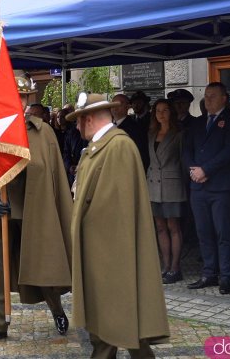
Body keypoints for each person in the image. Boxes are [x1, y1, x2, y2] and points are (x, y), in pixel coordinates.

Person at [67, 93, 169, 357]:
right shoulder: (98, 148)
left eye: (79, 122)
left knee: (122, 317)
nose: (77, 128)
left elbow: (118, 209)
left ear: (88, 119)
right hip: (99, 251)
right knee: (110, 320)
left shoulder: (118, 147)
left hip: (111, 252)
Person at [0, 113, 73, 345]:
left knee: (42, 263)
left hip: (35, 209)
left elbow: (50, 172)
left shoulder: (42, 132)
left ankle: (57, 309)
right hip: (2, 210)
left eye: (22, 96)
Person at [182, 82, 230, 295]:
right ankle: (209, 273)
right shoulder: (198, 123)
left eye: (213, 96)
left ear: (224, 99)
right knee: (203, 232)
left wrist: (205, 170)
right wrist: (193, 169)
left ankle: (226, 276)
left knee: (223, 233)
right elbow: (186, 150)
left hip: (220, 187)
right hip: (198, 187)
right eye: (206, 96)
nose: (208, 99)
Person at [147, 98, 187, 284]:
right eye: (157, 110)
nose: (161, 114)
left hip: (172, 185)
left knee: (173, 227)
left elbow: (183, 160)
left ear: (171, 112)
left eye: (164, 110)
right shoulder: (151, 133)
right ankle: (165, 265)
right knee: (160, 227)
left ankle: (175, 268)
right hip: (153, 185)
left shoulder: (179, 133)